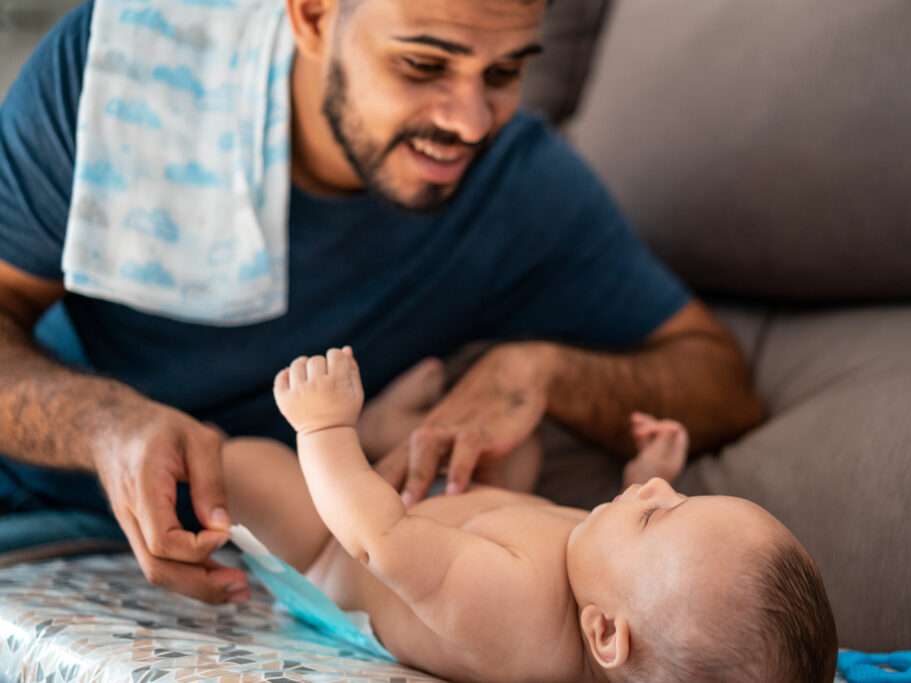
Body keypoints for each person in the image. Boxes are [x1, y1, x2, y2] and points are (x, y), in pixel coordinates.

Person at [0, 0, 762, 605]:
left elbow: (719, 382)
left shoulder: (520, 190)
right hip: (33, 503)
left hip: (272, 570)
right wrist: (106, 428)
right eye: (423, 64)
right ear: (312, 16)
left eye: (504, 73)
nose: (470, 122)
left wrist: (537, 372)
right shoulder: (121, 72)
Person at [222, 346, 837, 683]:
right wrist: (640, 476)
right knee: (518, 448)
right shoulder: (612, 586)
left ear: (604, 635)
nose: (655, 488)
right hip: (458, 515)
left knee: (248, 466)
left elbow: (379, 538)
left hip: (338, 551)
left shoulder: (512, 611)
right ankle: (389, 433)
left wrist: (324, 428)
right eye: (675, 497)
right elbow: (634, 560)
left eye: (656, 516)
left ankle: (358, 438)